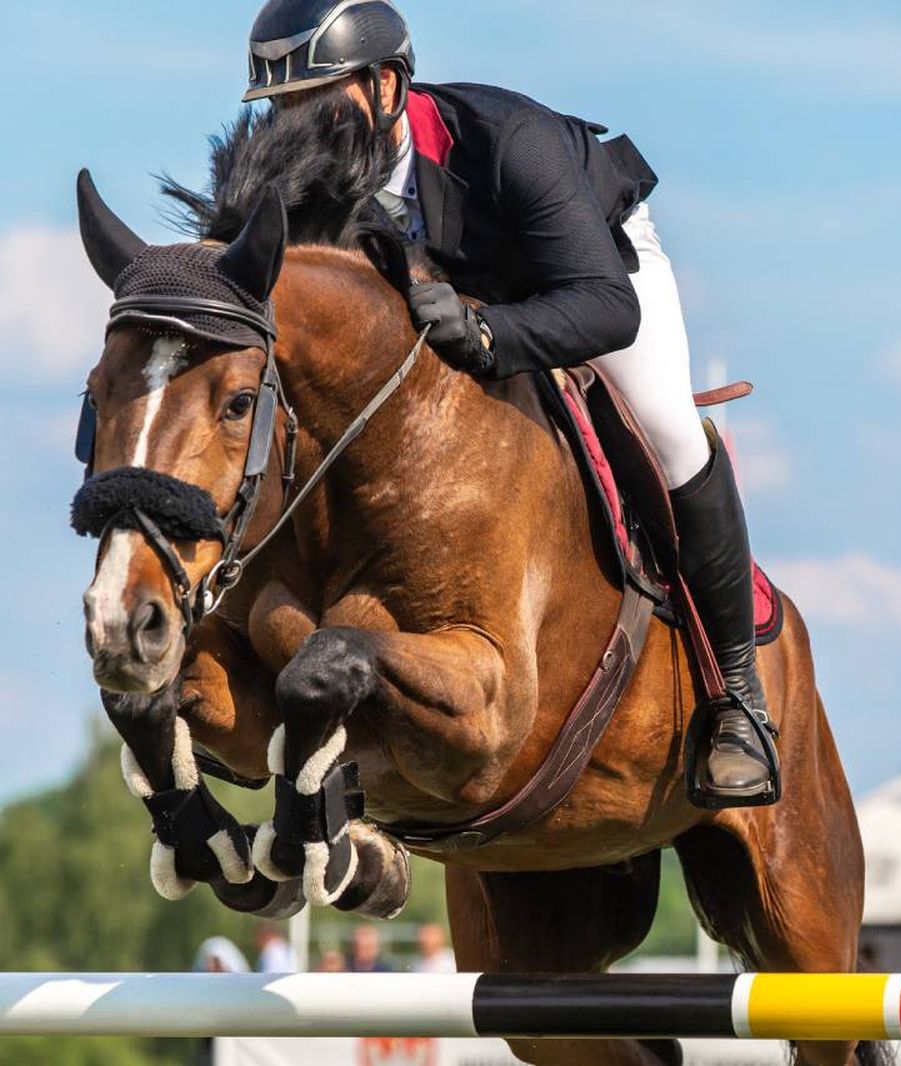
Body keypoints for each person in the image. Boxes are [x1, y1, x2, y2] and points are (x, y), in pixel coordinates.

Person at [241, 0, 776, 807]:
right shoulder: (307, 186)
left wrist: (487, 335)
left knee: (667, 431)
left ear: (386, 87)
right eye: (279, 108)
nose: (293, 126)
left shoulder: (506, 142)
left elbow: (604, 306)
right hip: (461, 291)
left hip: (588, 270)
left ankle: (739, 699)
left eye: (312, 101)